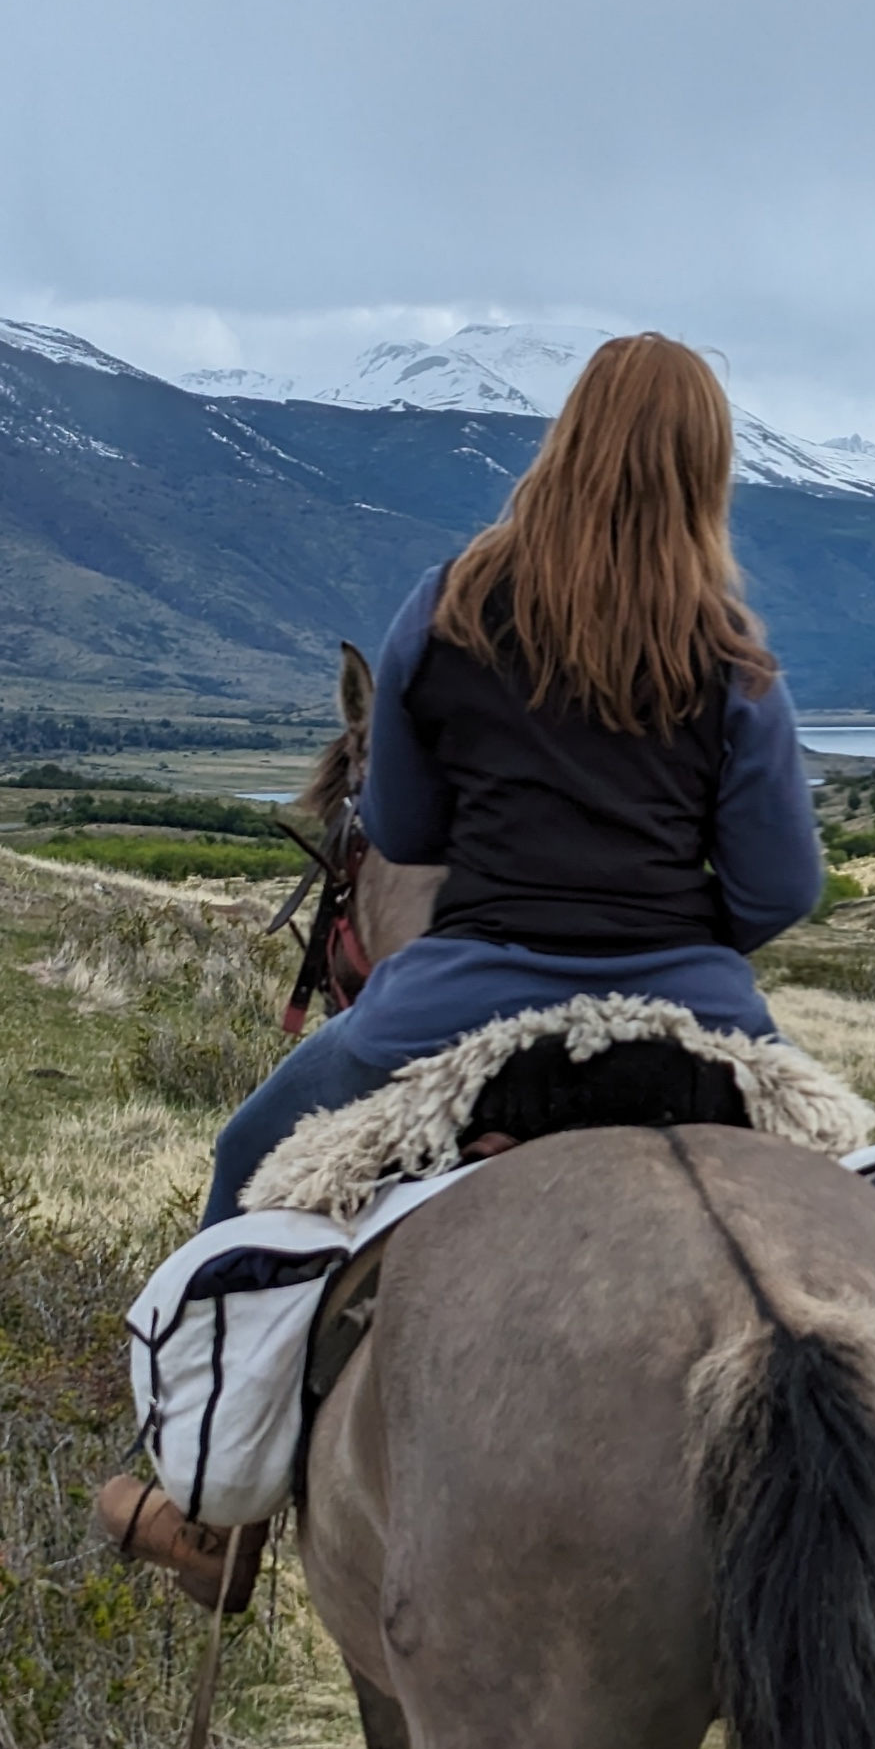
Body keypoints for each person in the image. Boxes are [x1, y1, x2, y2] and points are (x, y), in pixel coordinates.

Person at [97, 332, 824, 1607]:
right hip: (694, 1018)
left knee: (253, 1153)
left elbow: (410, 829)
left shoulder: (448, 612)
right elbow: (779, 890)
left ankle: (201, 1510)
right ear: (708, 477)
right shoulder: (734, 663)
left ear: (563, 447)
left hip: (460, 1009)